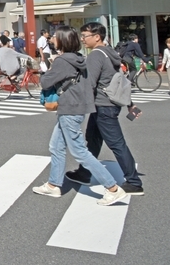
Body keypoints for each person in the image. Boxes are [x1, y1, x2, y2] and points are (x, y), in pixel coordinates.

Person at [32, 25, 127, 206]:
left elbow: (45, 82)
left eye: (55, 37)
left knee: (79, 151)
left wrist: (49, 68)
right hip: (77, 107)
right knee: (56, 146)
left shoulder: (62, 61)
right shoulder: (79, 58)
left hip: (69, 108)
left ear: (62, 40)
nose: (52, 39)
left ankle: (112, 188)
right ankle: (53, 184)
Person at [64, 23, 144, 196]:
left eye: (85, 36)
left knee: (117, 143)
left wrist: (76, 103)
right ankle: (84, 173)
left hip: (103, 106)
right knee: (92, 140)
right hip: (108, 104)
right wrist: (130, 104)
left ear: (97, 37)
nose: (82, 39)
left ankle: (134, 182)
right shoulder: (110, 53)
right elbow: (118, 80)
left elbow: (89, 83)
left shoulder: (95, 55)